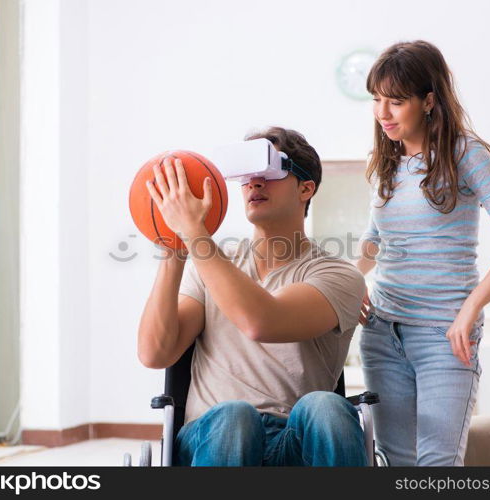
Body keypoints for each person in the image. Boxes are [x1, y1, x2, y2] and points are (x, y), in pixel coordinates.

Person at [355, 40, 490, 466]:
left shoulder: (463, 154)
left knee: (438, 466)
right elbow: (374, 239)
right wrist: (349, 283)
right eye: (377, 100)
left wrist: (470, 308)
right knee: (396, 462)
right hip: (382, 333)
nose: (383, 113)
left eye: (396, 101)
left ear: (429, 100)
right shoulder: (386, 162)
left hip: (445, 336)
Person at [137, 127, 368, 466]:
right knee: (235, 417)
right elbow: (154, 353)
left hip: (295, 440)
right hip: (215, 436)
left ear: (306, 188)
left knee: (327, 406)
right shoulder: (210, 264)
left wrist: (195, 235)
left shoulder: (340, 276)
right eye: (247, 175)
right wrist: (175, 247)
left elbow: (261, 322)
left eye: (270, 172)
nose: (254, 183)